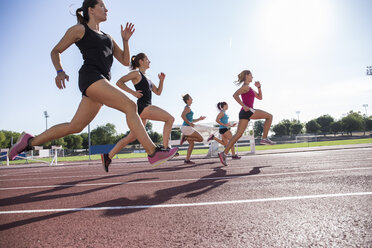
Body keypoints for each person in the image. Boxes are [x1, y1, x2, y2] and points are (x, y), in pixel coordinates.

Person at [8, 0, 177, 167]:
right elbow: (55, 51)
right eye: (102, 6)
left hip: (101, 81)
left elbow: (125, 61)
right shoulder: (80, 30)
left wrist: (125, 40)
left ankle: (28, 141)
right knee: (130, 106)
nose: (107, 9)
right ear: (91, 10)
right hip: (91, 77)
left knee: (75, 126)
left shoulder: (108, 38)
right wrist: (60, 71)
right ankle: (153, 152)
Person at [101, 53, 176, 172]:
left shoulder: (148, 78)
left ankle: (108, 156)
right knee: (169, 119)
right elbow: (119, 82)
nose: (149, 61)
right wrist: (133, 93)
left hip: (145, 110)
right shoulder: (136, 74)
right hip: (143, 107)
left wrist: (161, 80)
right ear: (141, 61)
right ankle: (166, 148)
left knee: (130, 138)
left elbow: (158, 92)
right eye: (147, 59)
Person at [218, 70, 274, 166]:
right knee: (269, 116)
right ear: (247, 76)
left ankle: (224, 153)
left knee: (238, 135)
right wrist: (243, 105)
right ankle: (264, 138)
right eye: (251, 75)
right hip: (247, 111)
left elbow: (260, 97)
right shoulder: (245, 87)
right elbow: (235, 95)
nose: (252, 77)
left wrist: (259, 87)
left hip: (244, 113)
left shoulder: (249, 88)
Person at [180, 94, 206, 164]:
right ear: (188, 100)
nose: (192, 99)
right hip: (187, 127)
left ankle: (187, 160)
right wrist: (189, 123)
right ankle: (186, 138)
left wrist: (199, 119)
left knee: (191, 144)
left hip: (186, 128)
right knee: (201, 139)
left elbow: (192, 120)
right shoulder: (187, 108)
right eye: (191, 98)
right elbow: (182, 116)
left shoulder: (188, 108)